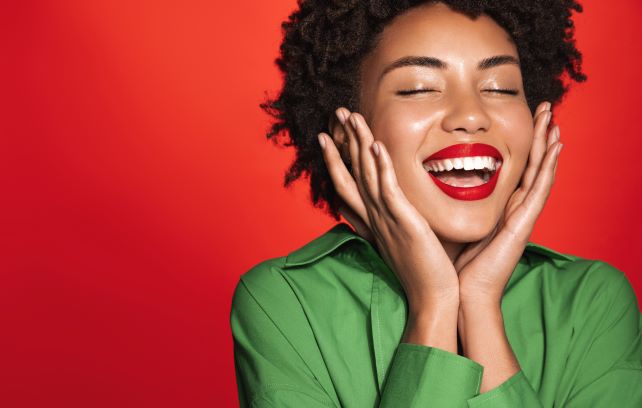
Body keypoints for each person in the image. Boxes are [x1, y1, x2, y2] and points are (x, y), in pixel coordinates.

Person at [230, 1, 642, 406]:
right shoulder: (285, 300)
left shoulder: (592, 301)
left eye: (500, 88)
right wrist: (434, 305)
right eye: (418, 88)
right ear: (347, 136)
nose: (471, 115)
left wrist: (480, 304)